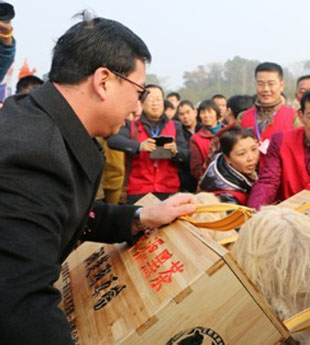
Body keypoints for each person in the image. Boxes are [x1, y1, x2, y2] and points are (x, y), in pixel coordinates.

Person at [0, 14, 197, 345]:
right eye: (138, 90)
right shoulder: (34, 157)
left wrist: (140, 217)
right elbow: (20, 306)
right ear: (103, 81)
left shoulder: (37, 118)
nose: (137, 107)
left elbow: (61, 214)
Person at [108, 84, 187, 204]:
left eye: (158, 99)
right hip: (138, 190)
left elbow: (187, 154)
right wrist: (140, 146)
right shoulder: (132, 126)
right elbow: (113, 141)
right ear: (142, 103)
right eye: (150, 100)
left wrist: (176, 151)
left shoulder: (175, 126)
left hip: (168, 189)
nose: (155, 103)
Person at [239, 62, 295, 159]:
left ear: (282, 86)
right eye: (260, 84)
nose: (265, 89)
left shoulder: (294, 116)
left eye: (271, 84)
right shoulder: (243, 117)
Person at [199, 126, 259, 205]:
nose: (251, 158)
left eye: (254, 149)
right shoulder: (226, 197)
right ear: (227, 158)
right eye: (241, 154)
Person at [190, 99, 225, 179]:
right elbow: (196, 169)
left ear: (216, 113)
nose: (206, 115)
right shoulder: (196, 139)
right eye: (203, 112)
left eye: (209, 111)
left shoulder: (228, 132)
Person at [175, 99, 199, 192]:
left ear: (195, 112)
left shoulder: (204, 129)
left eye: (188, 112)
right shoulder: (178, 132)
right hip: (186, 181)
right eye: (182, 114)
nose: (185, 116)